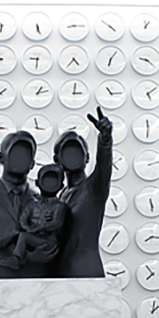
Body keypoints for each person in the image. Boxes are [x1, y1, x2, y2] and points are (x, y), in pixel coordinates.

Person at [0, 131, 58, 279]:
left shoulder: (43, 201)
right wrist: (27, 255)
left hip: (37, 282)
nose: (20, 159)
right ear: (1, 158)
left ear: (33, 163)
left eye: (26, 155)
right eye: (15, 153)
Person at [53, 107, 112, 278]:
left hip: (86, 272)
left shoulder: (94, 188)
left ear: (87, 157)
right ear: (57, 160)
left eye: (76, 151)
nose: (72, 156)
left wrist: (105, 140)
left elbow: (104, 166)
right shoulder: (61, 196)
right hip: (61, 274)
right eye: (66, 152)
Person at [0, 164, 68, 270]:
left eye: (54, 181)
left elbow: (56, 223)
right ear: (38, 183)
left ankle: (16, 259)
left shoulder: (59, 206)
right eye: (46, 180)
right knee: (16, 232)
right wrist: (29, 228)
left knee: (23, 236)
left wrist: (39, 228)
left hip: (48, 242)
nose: (49, 184)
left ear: (61, 186)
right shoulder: (32, 204)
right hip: (34, 236)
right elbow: (23, 220)